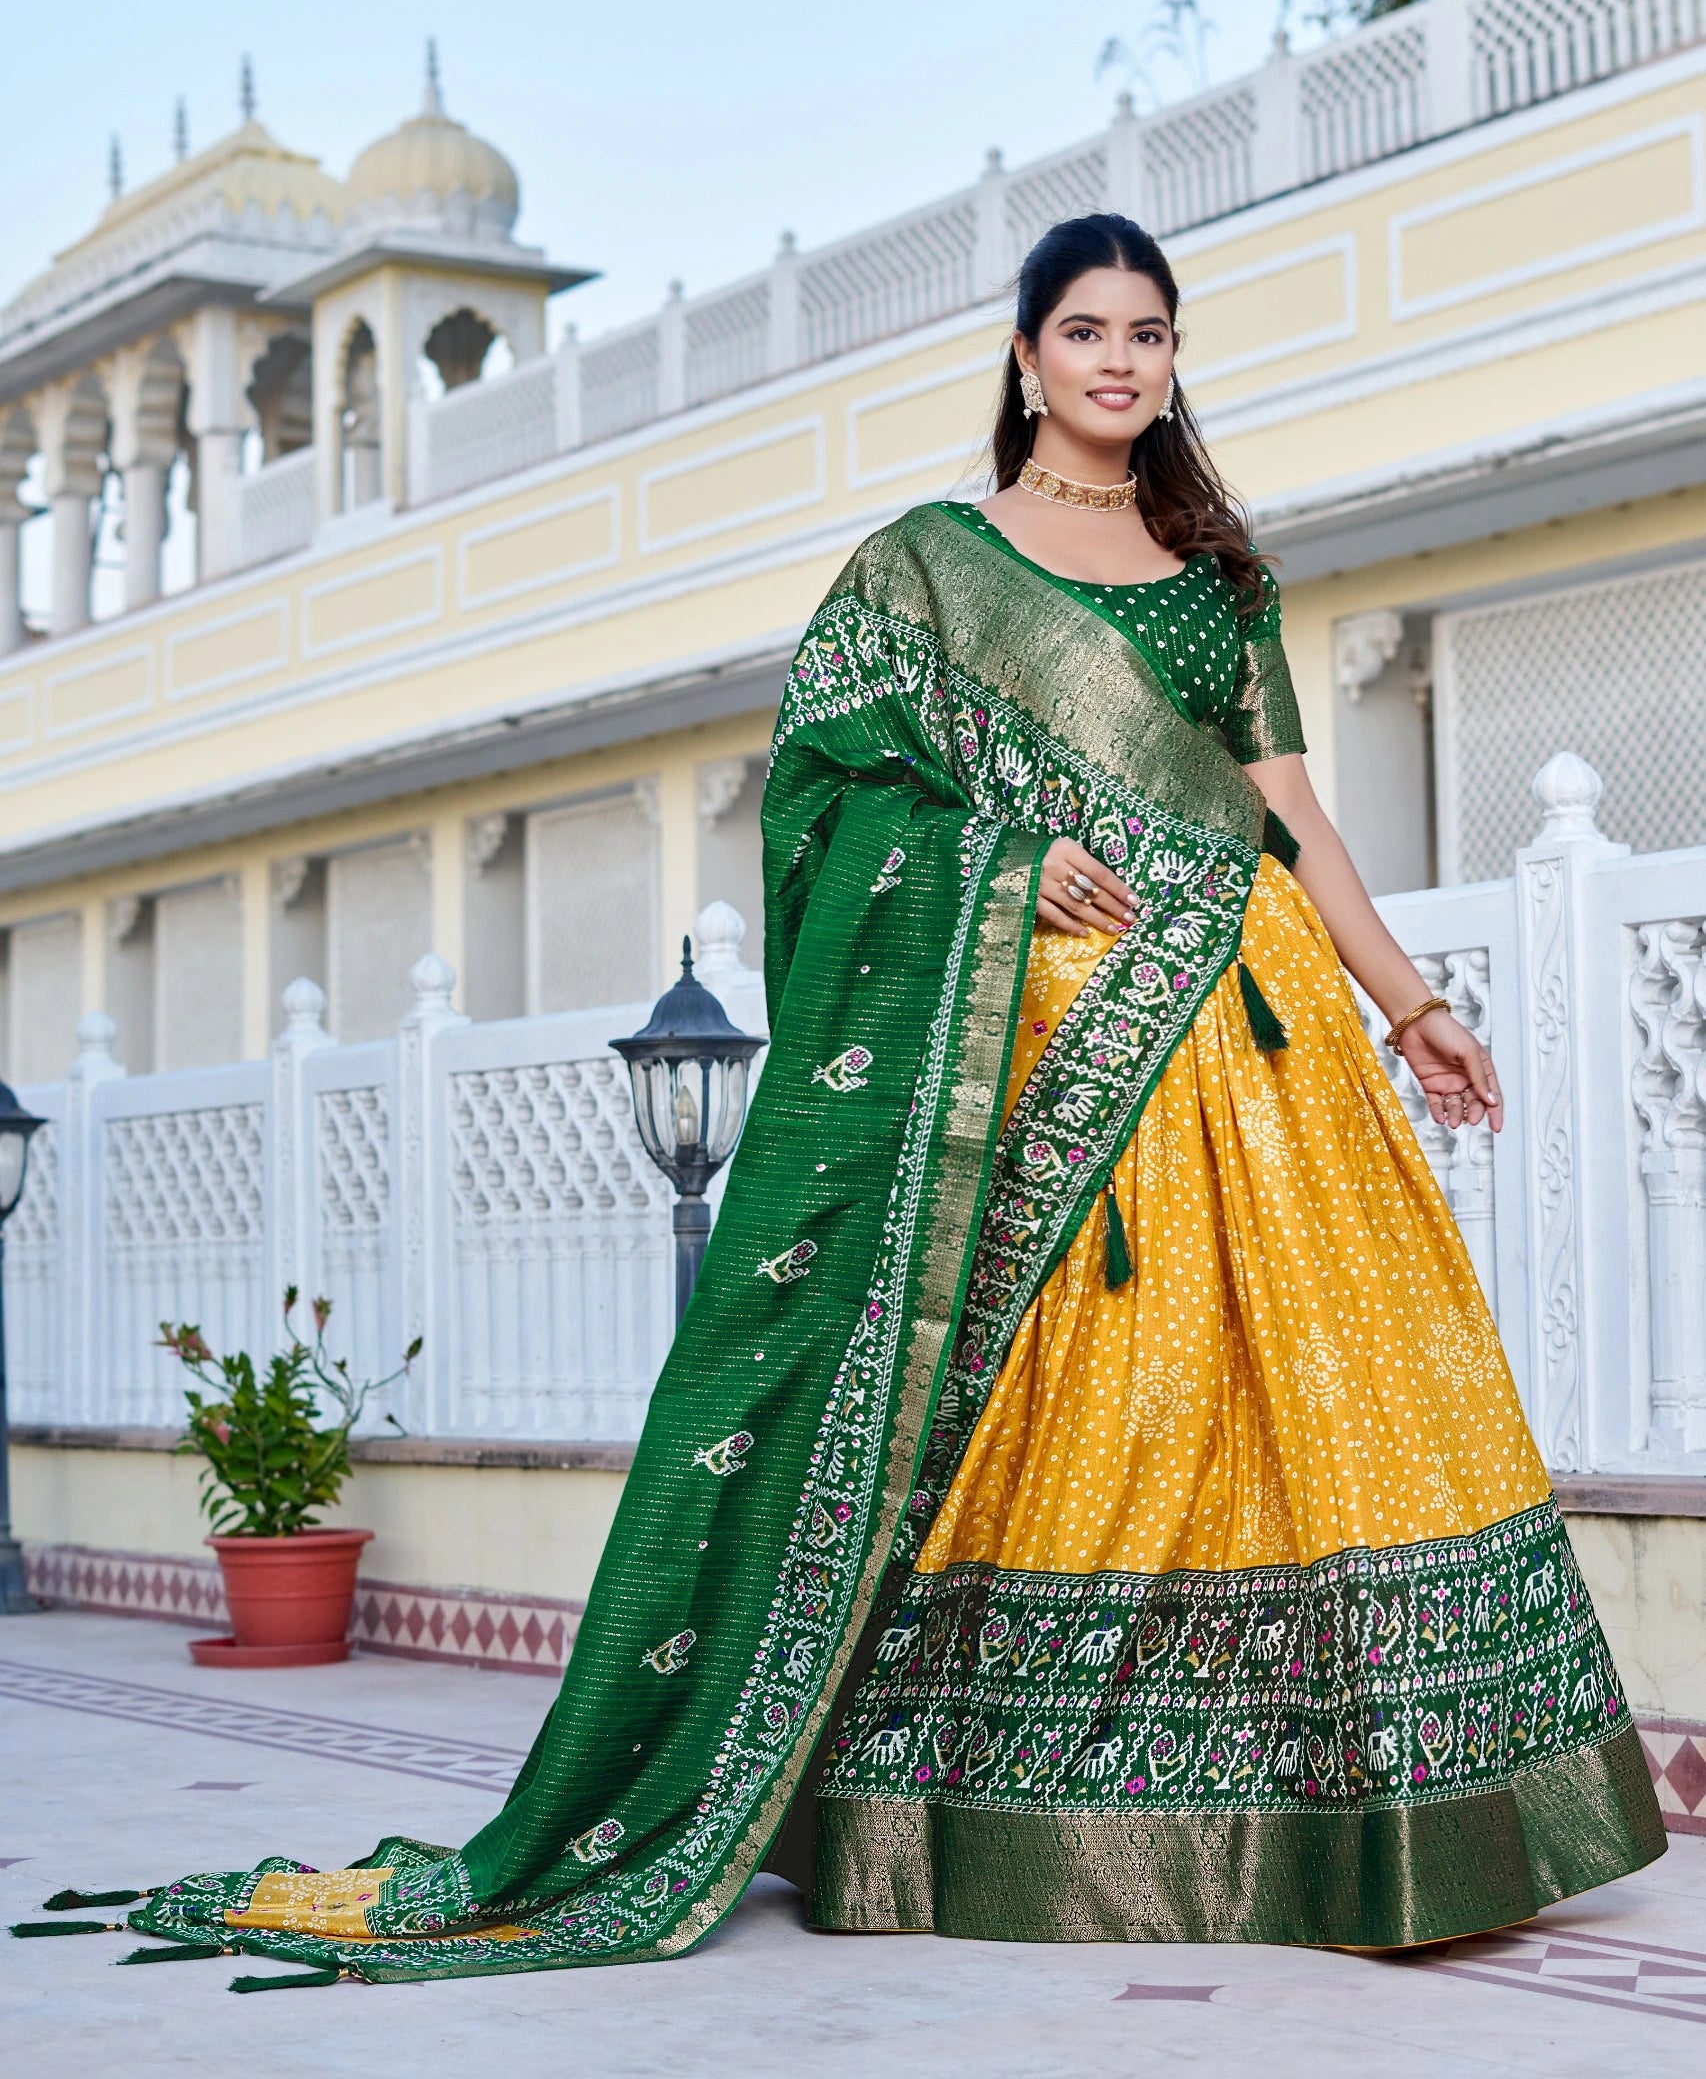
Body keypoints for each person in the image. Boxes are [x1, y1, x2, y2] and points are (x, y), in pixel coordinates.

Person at [73, 215, 1661, 1983]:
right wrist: (999, 850)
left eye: (1148, 332)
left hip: (1248, 1037)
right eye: (1084, 330)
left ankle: (1372, 1819)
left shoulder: (1220, 576)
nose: (1119, 361)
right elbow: (824, 797)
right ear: (1023, 357)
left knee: (1320, 1400)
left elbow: (1290, 814)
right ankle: (988, 1808)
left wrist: (1411, 1001)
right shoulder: (923, 566)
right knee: (1064, 1408)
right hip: (1033, 1054)